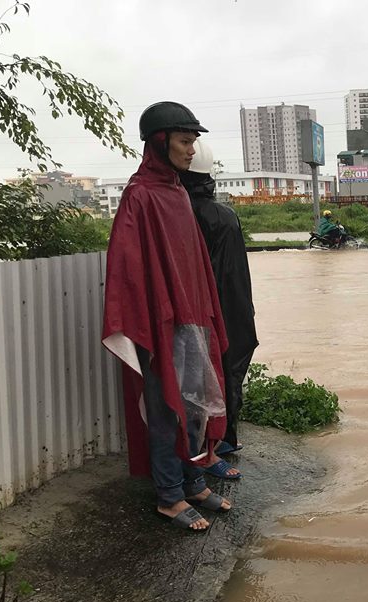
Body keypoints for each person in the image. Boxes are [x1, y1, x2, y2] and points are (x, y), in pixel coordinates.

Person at [102, 101, 232, 531]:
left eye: (193, 141)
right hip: (159, 325)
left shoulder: (176, 192)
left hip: (193, 321)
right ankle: (169, 496)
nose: (191, 149)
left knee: (194, 407)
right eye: (184, 140)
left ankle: (193, 481)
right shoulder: (139, 196)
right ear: (160, 143)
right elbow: (126, 268)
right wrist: (145, 327)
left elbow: (193, 265)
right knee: (164, 410)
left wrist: (207, 314)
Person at [179, 138, 259, 472]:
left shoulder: (181, 214)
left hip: (204, 313)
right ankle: (225, 438)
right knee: (229, 374)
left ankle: (203, 448)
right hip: (237, 311)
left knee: (198, 380)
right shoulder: (225, 216)